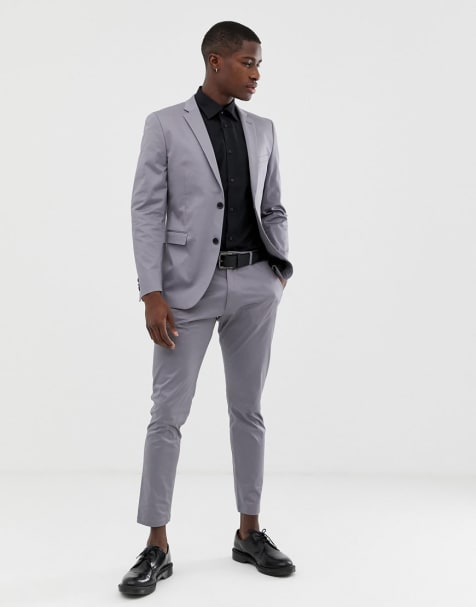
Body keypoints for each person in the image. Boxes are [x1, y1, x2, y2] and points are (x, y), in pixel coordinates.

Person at [118, 20, 295, 597]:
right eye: (248, 62)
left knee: (249, 411)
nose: (257, 74)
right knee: (167, 416)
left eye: (259, 63)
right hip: (184, 294)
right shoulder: (165, 125)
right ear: (216, 61)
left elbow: (274, 206)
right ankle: (156, 545)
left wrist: (278, 271)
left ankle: (249, 532)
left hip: (255, 286)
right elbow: (147, 209)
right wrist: (151, 292)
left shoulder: (263, 130)